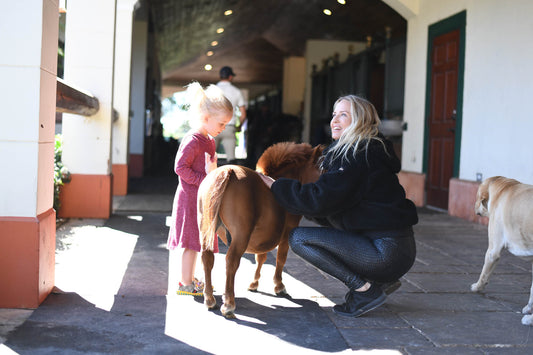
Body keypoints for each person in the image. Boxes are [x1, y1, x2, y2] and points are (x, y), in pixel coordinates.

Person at [259, 95, 418, 317]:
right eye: (334, 114)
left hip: (386, 252)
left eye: (343, 115)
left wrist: (277, 187)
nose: (335, 120)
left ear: (360, 121)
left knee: (299, 238)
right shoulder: (366, 151)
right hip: (398, 250)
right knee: (323, 233)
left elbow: (320, 198)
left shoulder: (357, 154)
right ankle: (380, 281)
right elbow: (334, 206)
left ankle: (364, 290)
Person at [167, 82, 233, 296]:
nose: (223, 128)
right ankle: (185, 284)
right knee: (190, 242)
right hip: (190, 199)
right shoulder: (192, 140)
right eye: (221, 123)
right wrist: (204, 178)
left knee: (197, 242)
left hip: (202, 199)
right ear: (206, 118)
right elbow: (180, 167)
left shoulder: (209, 141)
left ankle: (189, 279)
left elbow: (210, 167)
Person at [215, 66, 247, 164]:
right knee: (231, 161)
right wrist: (239, 127)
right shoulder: (236, 91)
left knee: (208, 159)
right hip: (229, 127)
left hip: (214, 127)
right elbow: (243, 115)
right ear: (230, 77)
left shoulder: (212, 90)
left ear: (220, 76)